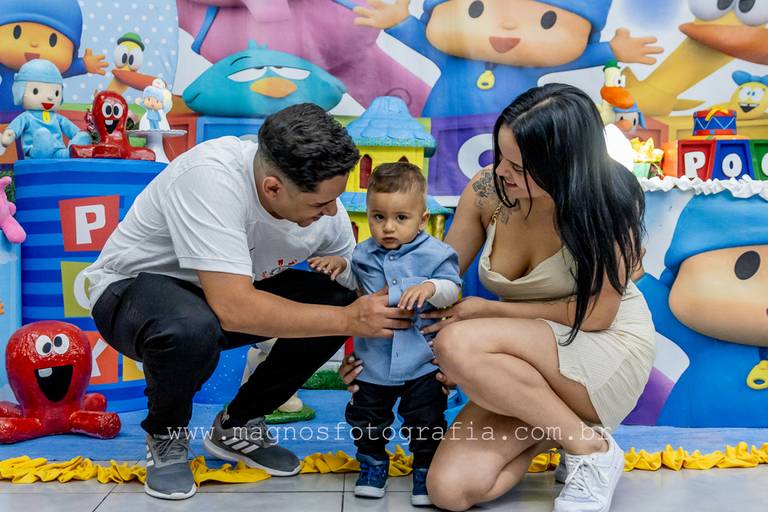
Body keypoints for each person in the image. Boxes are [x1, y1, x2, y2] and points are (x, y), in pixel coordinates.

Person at [340, 84, 655, 511]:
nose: (503, 171)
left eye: (519, 166)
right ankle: (567, 430)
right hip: (520, 365)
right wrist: (369, 352)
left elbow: (598, 316)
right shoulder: (487, 191)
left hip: (602, 350)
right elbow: (435, 281)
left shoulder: (605, 206)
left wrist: (488, 311)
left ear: (563, 165)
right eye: (501, 156)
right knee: (449, 491)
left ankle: (592, 451)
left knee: (460, 341)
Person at [84, 103, 413, 501]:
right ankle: (166, 435)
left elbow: (359, 289)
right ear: (273, 188)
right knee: (192, 327)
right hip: (131, 294)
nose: (331, 212)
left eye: (335, 199)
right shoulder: (210, 177)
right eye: (319, 204)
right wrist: (349, 319)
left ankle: (238, 423)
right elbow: (234, 308)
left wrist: (409, 317)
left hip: (220, 297)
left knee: (335, 297)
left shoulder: (326, 206)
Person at [310, 162, 462, 506]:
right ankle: (373, 464)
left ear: (422, 219)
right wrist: (341, 267)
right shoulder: (363, 253)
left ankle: (425, 469)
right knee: (366, 417)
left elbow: (452, 288)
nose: (388, 227)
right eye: (378, 217)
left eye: (401, 218)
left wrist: (430, 287)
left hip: (421, 362)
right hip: (373, 361)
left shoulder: (437, 254)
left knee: (426, 419)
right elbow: (355, 285)